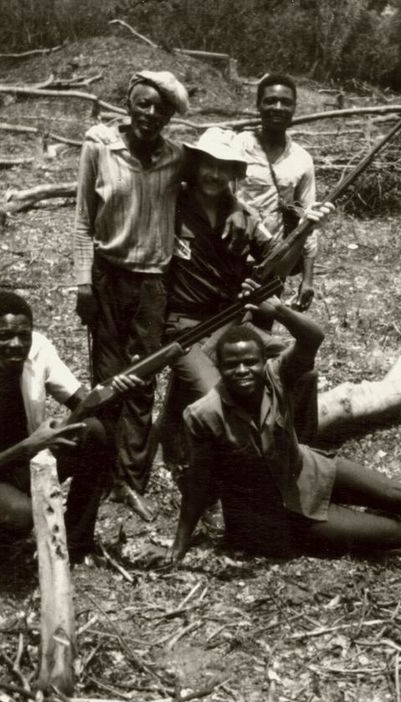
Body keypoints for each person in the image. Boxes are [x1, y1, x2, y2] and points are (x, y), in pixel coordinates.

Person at [170, 285, 401, 562]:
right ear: (220, 368)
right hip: (275, 512)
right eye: (232, 365)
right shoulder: (203, 414)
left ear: (263, 362)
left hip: (308, 470)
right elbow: (199, 482)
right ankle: (343, 519)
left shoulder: (277, 378)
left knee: (400, 495)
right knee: (395, 533)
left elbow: (313, 338)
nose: (241, 371)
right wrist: (180, 545)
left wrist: (280, 311)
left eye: (249, 363)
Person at [73, 71, 252, 517]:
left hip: (154, 282)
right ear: (128, 103)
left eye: (161, 108)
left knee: (140, 382)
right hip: (106, 277)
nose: (150, 114)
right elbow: (82, 220)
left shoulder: (176, 159)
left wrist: (240, 209)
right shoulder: (99, 145)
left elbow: (217, 178)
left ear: (171, 116)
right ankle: (99, 472)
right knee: (107, 377)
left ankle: (130, 480)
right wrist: (81, 282)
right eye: (142, 103)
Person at [0, 291, 143, 554]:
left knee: (93, 431)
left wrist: (116, 393)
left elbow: (82, 402)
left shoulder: (39, 350)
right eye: (3, 336)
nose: (16, 344)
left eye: (24, 335)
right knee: (21, 516)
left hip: (30, 462)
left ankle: (76, 543)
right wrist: (30, 446)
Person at [164, 127, 333, 409]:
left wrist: (305, 229)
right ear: (195, 165)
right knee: (215, 398)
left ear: (233, 174)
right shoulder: (170, 205)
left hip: (234, 324)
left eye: (224, 168)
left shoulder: (244, 215)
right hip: (187, 329)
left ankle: (296, 448)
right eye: (209, 165)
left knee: (302, 375)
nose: (215, 175)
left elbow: (279, 265)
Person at [230, 73, 319, 312]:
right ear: (258, 105)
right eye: (270, 101)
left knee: (261, 329)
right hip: (230, 257)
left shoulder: (302, 159)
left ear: (294, 108)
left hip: (273, 262)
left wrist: (307, 279)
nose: (277, 108)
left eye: (285, 102)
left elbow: (308, 222)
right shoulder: (237, 146)